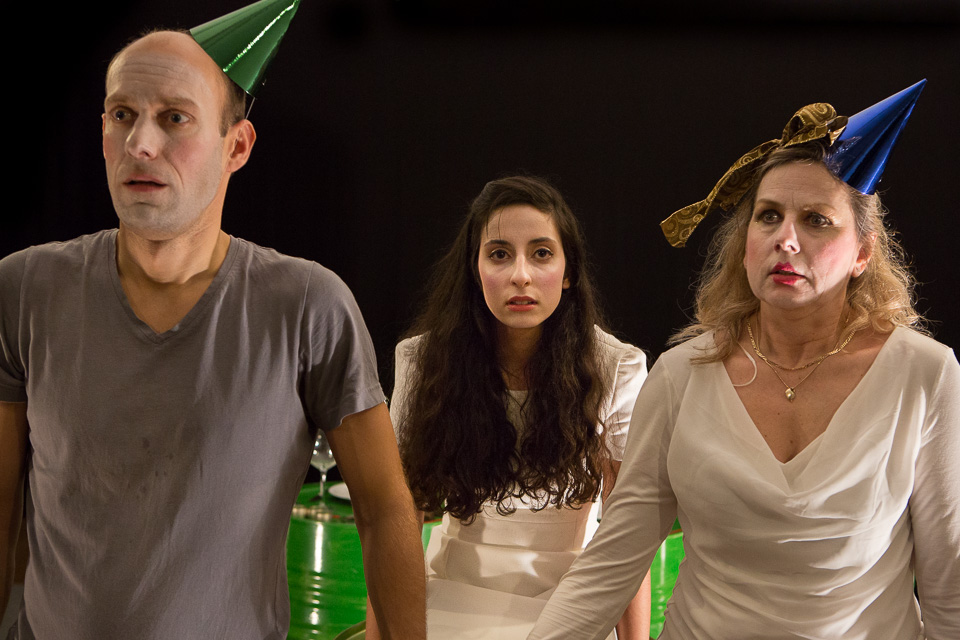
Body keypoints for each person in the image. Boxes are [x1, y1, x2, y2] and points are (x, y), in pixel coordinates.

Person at [0, 3, 425, 638]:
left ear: (237, 146)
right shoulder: (25, 289)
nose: (141, 144)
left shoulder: (308, 306)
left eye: (175, 117)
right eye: (123, 115)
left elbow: (385, 510)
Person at [528, 82, 960, 639]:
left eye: (817, 220)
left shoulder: (924, 374)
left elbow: (949, 584)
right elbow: (611, 561)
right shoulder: (681, 375)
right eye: (769, 216)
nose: (786, 239)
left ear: (863, 252)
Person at [372, 175, 651, 639]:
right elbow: (397, 521)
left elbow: (627, 534)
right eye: (500, 254)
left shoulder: (616, 367)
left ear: (568, 271)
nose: (521, 274)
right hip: (452, 596)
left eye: (541, 253)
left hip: (571, 603)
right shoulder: (423, 361)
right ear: (474, 268)